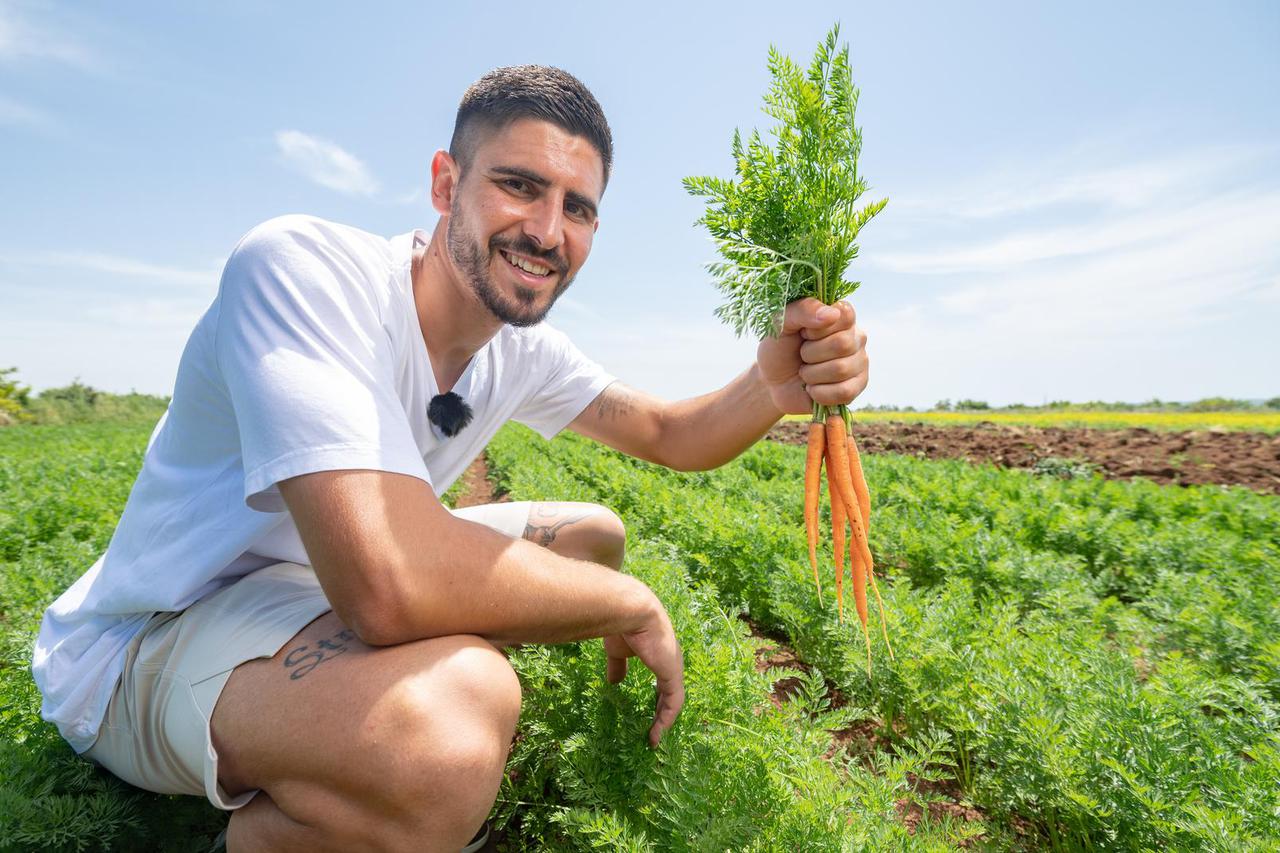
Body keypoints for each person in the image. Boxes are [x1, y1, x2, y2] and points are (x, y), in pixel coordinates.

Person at [31, 65, 869, 851]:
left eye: (577, 207)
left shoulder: (518, 349)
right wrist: (629, 602)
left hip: (304, 591)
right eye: (519, 184)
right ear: (445, 183)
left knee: (592, 533)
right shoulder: (305, 271)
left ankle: (338, 740)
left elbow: (666, 432)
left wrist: (773, 382)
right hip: (151, 640)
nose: (546, 230)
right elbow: (385, 585)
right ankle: (305, 812)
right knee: (453, 724)